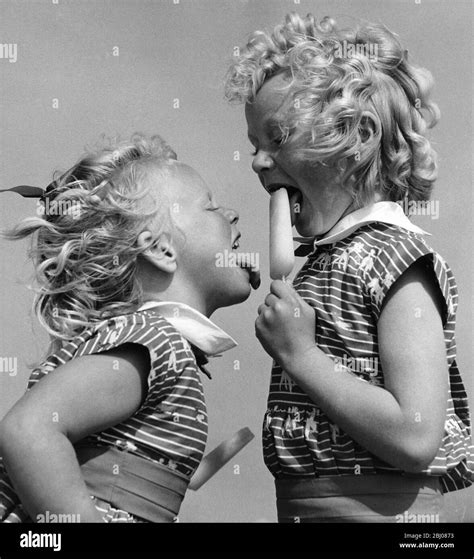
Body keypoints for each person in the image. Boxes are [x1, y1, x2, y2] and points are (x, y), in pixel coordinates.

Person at [225, 12, 473, 522]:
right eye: (254, 145)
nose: (257, 162)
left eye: (276, 138)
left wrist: (300, 354)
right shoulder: (320, 263)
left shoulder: (395, 259)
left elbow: (416, 434)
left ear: (353, 137)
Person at [0, 133, 259, 522]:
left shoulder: (142, 341)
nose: (233, 214)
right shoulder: (153, 342)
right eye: (211, 207)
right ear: (161, 250)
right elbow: (28, 429)